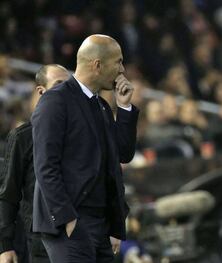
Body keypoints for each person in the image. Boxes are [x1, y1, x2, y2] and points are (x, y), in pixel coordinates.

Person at [31, 34, 139, 263]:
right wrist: (67, 218)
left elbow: (123, 153)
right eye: (118, 62)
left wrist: (125, 107)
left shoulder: (100, 105)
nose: (122, 70)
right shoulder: (55, 101)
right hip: (70, 221)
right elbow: (45, 165)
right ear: (97, 65)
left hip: (99, 222)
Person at [0, 64, 70, 263]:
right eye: (59, 84)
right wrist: (5, 246)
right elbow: (8, 194)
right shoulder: (23, 137)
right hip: (39, 241)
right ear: (41, 91)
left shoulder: (81, 136)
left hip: (79, 236)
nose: (66, 90)